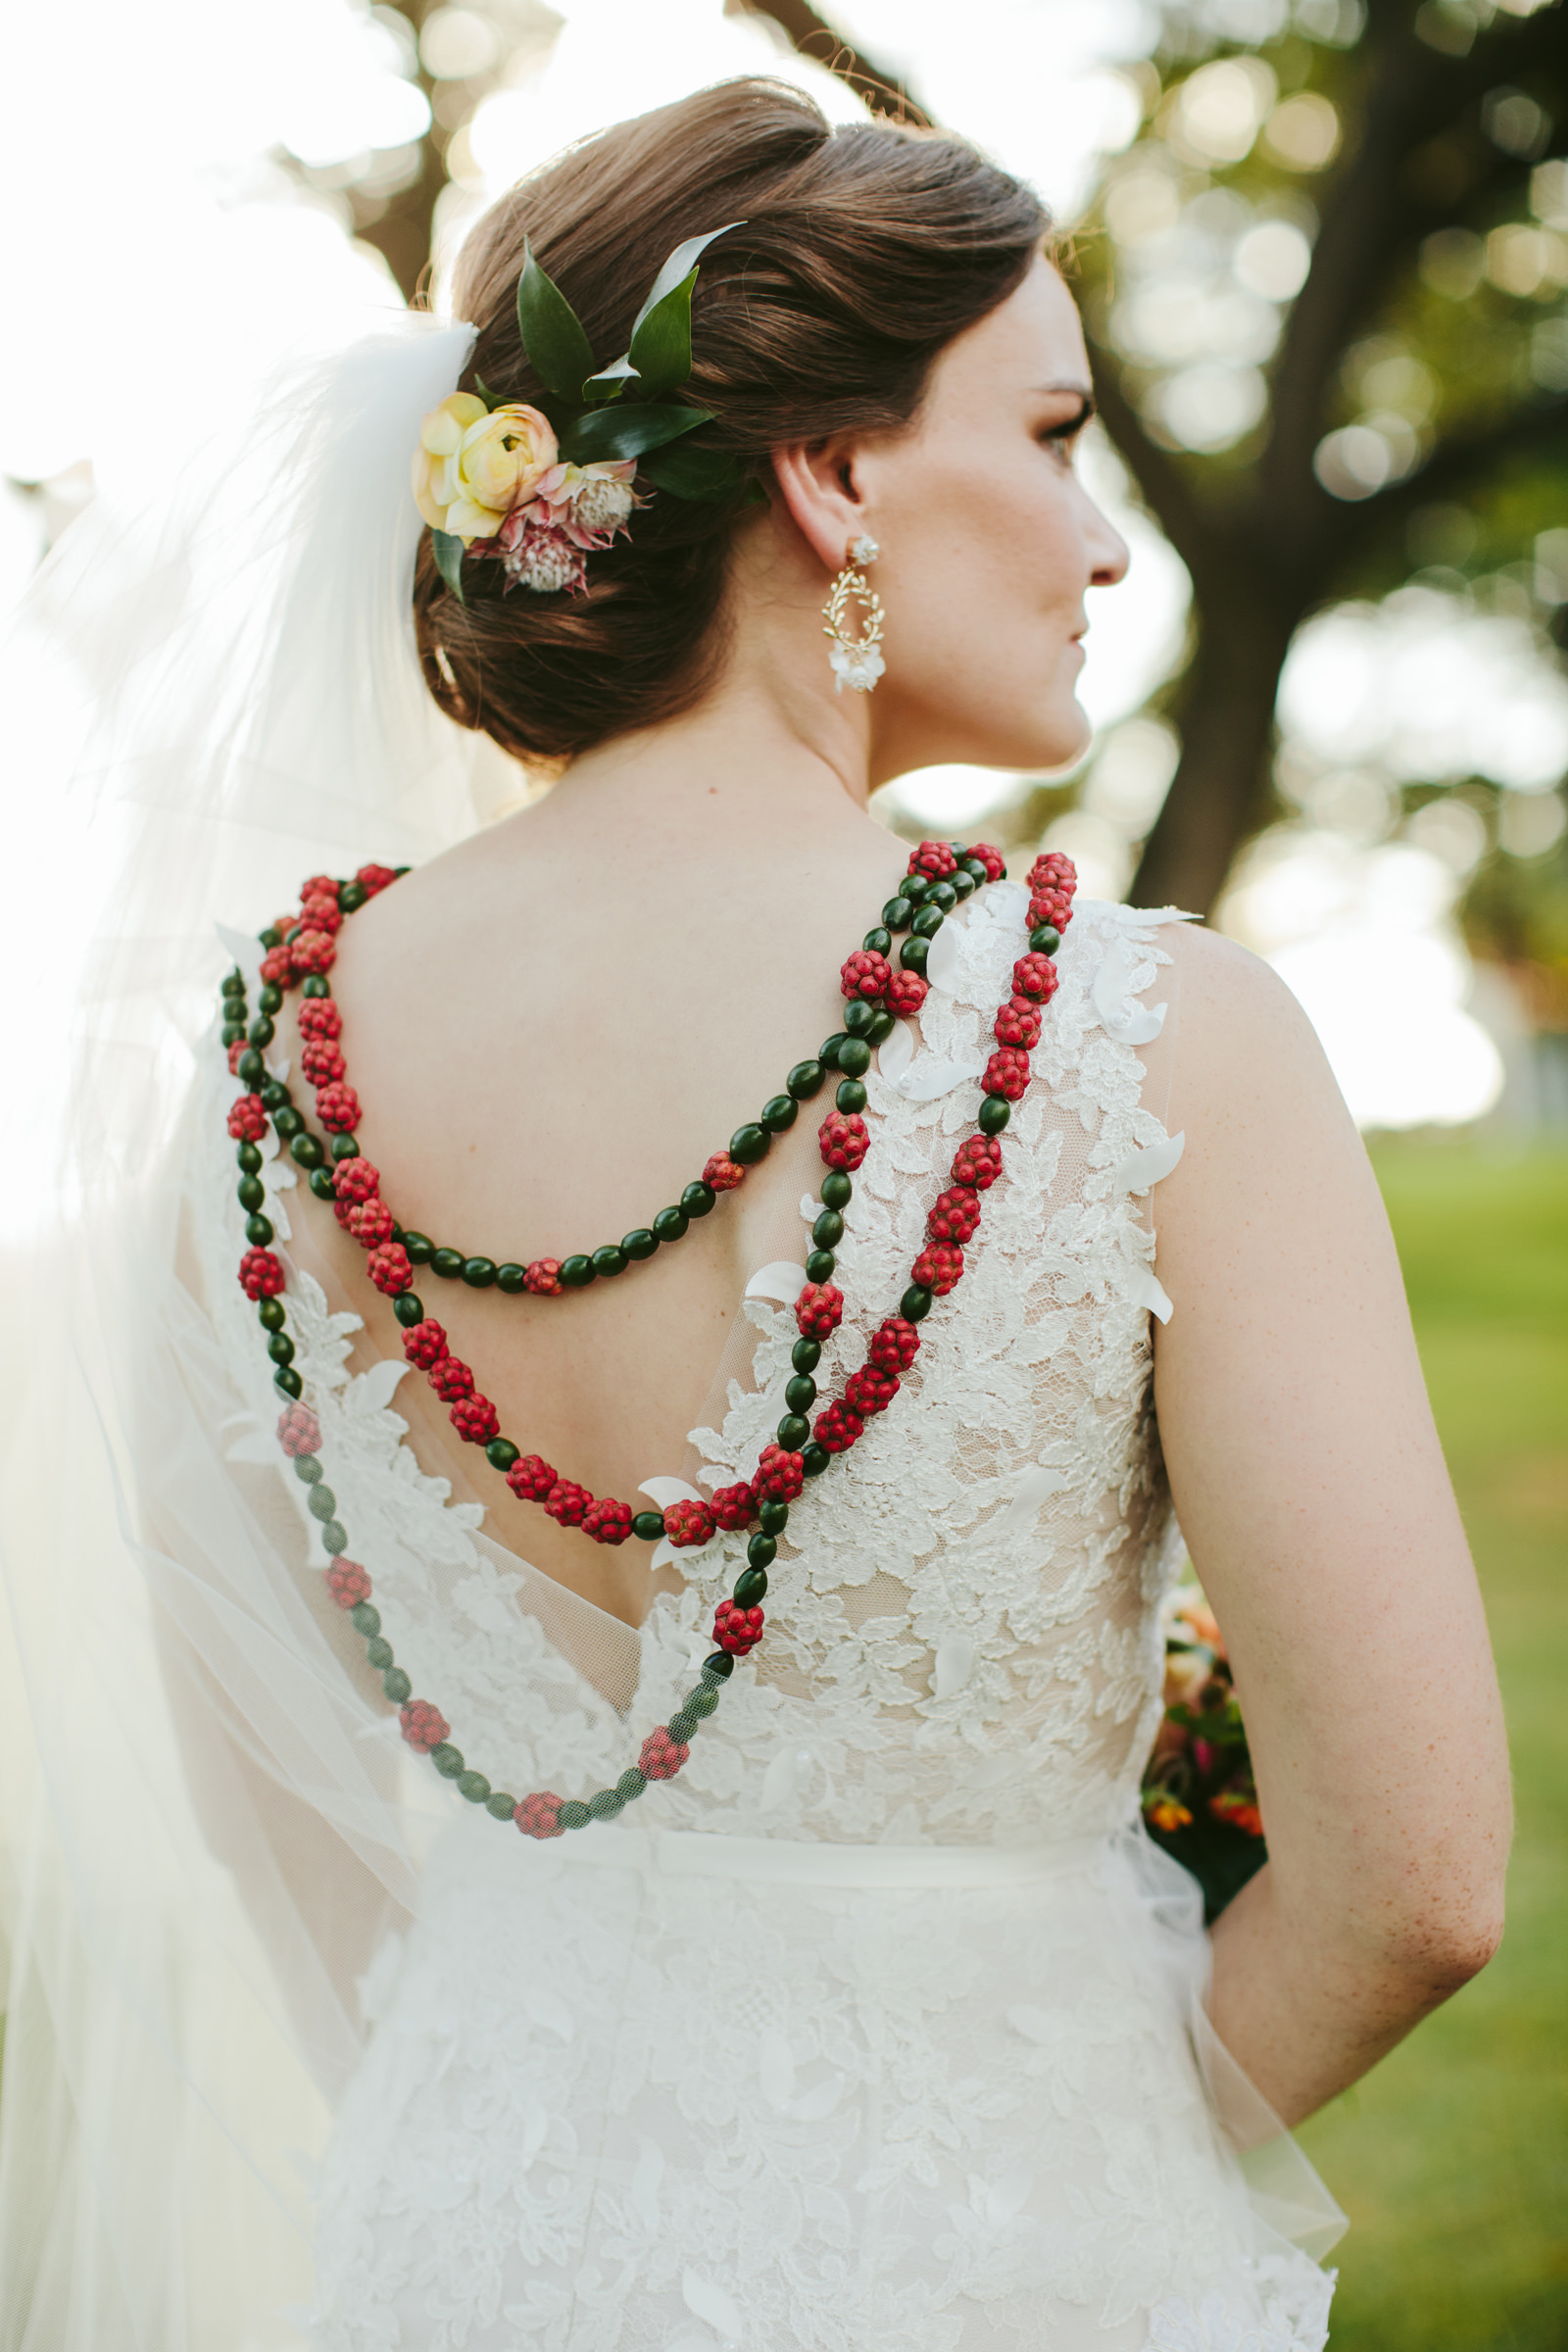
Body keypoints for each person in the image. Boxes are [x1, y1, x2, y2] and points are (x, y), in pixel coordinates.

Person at [0, 75, 1510, 2352]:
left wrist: (504, 2135)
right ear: (830, 475)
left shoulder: (269, 1065)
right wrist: (1064, 2186)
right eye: (1050, 433)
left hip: (462, 2246)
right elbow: (1411, 1885)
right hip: (1009, 2266)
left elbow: (264, 1799)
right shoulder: (1146, 1038)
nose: (1102, 543)